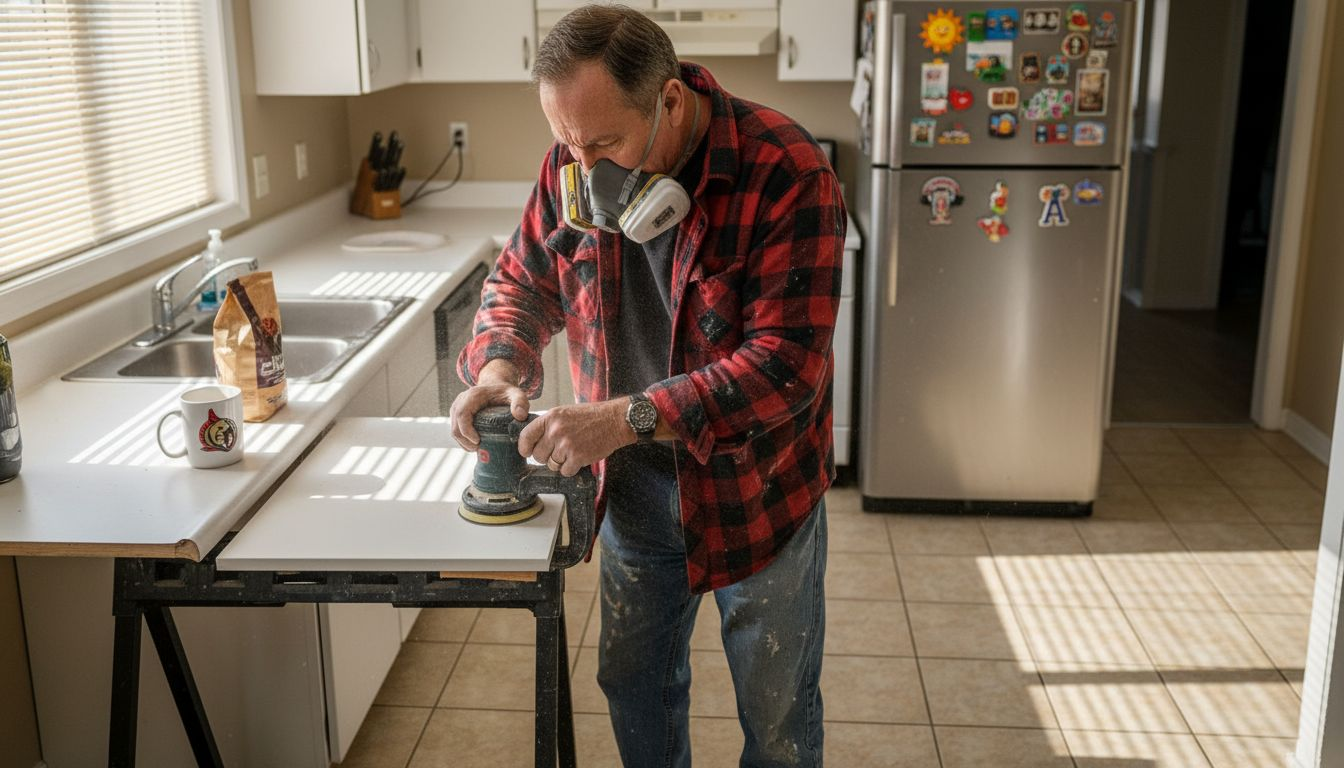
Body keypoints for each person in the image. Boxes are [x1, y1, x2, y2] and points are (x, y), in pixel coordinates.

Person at [449, 5, 845, 765]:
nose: (582, 166)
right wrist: (499, 365)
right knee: (636, 690)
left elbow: (786, 366)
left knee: (777, 717)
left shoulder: (786, 170)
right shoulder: (570, 162)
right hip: (632, 492)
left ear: (669, 100)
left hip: (756, 492)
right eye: (567, 142)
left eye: (603, 144)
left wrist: (623, 418)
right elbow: (520, 284)